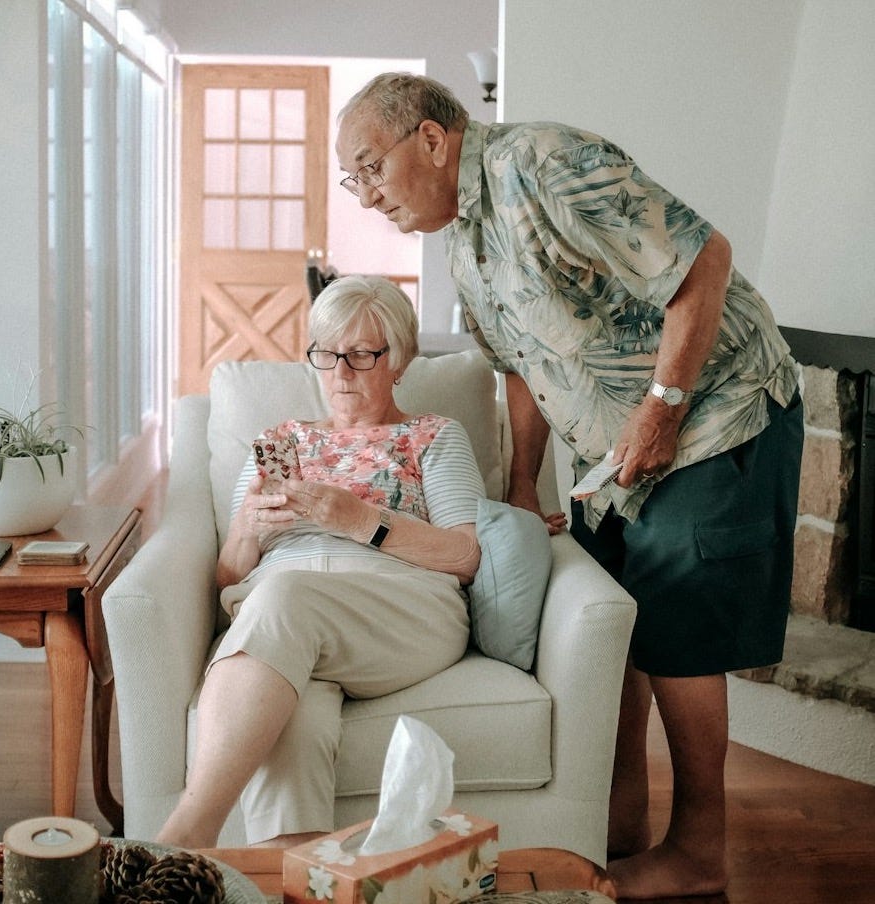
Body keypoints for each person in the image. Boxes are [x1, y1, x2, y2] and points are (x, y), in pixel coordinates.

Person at [336, 73, 804, 900]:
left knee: (680, 624)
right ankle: (618, 825)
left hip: (714, 412)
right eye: (354, 180)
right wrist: (522, 479)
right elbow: (522, 364)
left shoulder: (544, 163)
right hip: (612, 451)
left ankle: (700, 849)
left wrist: (662, 408)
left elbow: (706, 260)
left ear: (434, 140)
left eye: (370, 168)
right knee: (613, 623)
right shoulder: (459, 238)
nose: (367, 194)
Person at [156, 274, 486, 849]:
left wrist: (360, 520)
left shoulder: (433, 435)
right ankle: (298, 879)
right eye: (327, 354)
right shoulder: (281, 442)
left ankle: (185, 836)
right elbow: (230, 577)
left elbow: (465, 555)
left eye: (361, 355)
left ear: (400, 360)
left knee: (286, 599)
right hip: (285, 615)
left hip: (402, 612)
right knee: (295, 714)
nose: (340, 373)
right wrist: (248, 527)